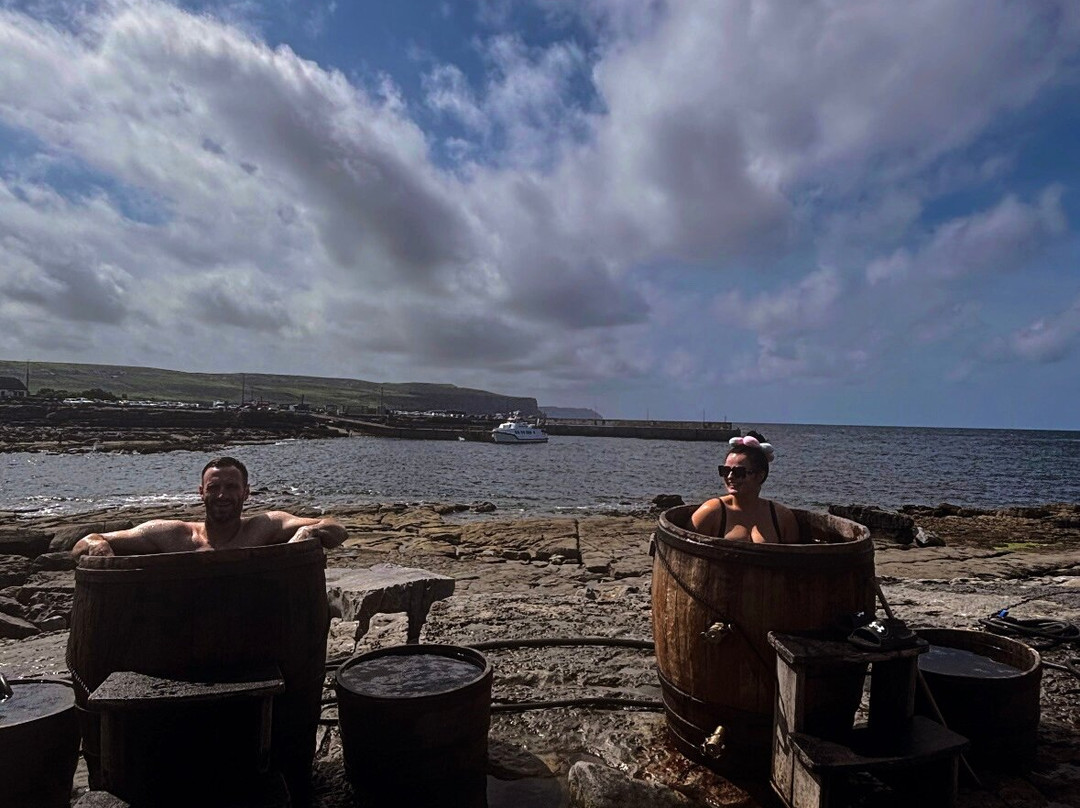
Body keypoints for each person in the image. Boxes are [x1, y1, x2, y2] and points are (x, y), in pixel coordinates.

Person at [71, 456, 348, 556]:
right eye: (214, 488)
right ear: (201, 492)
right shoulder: (172, 535)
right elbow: (86, 542)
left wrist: (310, 533)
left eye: (231, 487)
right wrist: (96, 544)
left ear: (247, 493)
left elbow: (335, 528)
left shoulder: (265, 526)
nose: (222, 495)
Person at [690, 432, 800, 543]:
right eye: (725, 470)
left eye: (739, 472)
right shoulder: (711, 512)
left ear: (759, 476)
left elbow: (793, 557)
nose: (730, 477)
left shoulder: (781, 516)